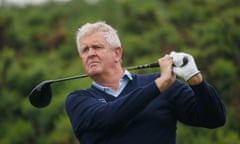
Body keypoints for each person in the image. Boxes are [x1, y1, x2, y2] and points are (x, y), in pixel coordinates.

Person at [65, 21, 226, 144]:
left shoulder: (167, 86)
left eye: (97, 47)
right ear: (82, 59)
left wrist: (196, 80)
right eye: (85, 50)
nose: (90, 53)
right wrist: (157, 86)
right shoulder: (78, 100)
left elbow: (214, 118)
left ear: (117, 53)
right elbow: (109, 117)